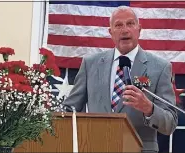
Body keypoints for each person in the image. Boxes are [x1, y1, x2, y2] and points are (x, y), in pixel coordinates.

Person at [62, 5, 178, 152]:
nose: (125, 30)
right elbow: (70, 109)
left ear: (139, 29)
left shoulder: (160, 67)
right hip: (95, 147)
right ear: (111, 32)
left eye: (130, 24)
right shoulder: (90, 64)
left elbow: (170, 124)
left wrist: (149, 108)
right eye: (118, 25)